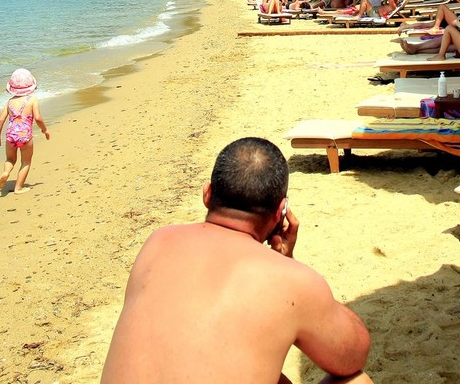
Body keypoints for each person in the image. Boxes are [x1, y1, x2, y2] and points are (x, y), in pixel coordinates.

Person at [100, 137, 372, 384]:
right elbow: (352, 356)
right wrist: (289, 262)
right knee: (357, 382)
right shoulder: (291, 280)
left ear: (207, 194)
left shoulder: (158, 242)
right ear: (281, 212)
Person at [0, 68, 50, 195]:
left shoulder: (9, 102)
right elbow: (38, 118)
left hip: (10, 136)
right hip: (25, 137)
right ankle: (18, 188)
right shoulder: (32, 100)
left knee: (10, 159)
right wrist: (45, 130)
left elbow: (0, 120)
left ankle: (6, 172)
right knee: (26, 161)